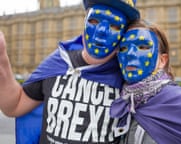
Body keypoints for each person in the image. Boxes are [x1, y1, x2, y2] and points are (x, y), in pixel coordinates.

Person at [0, 0, 140, 143]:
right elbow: (15, 105)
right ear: (84, 20)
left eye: (115, 25)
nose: (102, 31)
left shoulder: (130, 78)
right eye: (94, 20)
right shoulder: (59, 62)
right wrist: (2, 58)